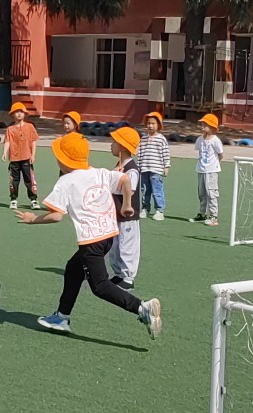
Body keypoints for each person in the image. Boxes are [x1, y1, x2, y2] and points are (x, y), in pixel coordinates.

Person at [15, 132, 162, 340]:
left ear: (64, 160)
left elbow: (56, 216)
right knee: (73, 269)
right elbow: (124, 180)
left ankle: (142, 308)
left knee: (100, 286)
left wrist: (33, 219)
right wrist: (127, 204)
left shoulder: (66, 182)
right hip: (108, 237)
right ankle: (62, 316)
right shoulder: (99, 172)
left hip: (91, 242)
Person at [108, 126, 142, 290]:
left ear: (122, 147)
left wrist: (117, 178)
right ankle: (118, 273)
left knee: (127, 245)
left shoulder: (131, 170)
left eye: (114, 142)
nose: (111, 145)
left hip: (128, 216)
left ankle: (128, 277)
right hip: (115, 214)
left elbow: (130, 189)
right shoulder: (119, 166)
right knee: (115, 246)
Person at [3, 102, 40, 210]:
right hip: (14, 158)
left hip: (26, 158)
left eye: (21, 112)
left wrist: (33, 155)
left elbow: (33, 141)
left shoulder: (30, 127)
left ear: (24, 114)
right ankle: (13, 199)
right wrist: (4, 152)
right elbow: (7, 141)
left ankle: (33, 200)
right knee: (14, 180)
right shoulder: (10, 129)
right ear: (12, 114)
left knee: (29, 179)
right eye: (16, 112)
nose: (19, 114)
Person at [190, 113, 224, 227]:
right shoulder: (200, 139)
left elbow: (221, 155)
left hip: (211, 171)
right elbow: (199, 152)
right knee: (202, 193)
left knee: (211, 193)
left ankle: (213, 216)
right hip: (201, 170)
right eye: (202, 124)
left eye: (205, 124)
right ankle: (202, 213)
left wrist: (214, 165)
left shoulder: (215, 140)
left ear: (212, 127)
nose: (202, 126)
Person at [137, 111, 170, 220]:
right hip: (144, 169)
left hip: (156, 169)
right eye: (148, 123)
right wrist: (139, 166)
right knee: (145, 190)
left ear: (158, 125)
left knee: (157, 190)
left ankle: (159, 210)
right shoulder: (143, 139)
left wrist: (166, 166)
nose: (150, 126)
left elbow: (165, 153)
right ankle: (145, 209)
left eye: (153, 123)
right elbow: (140, 153)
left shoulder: (161, 139)